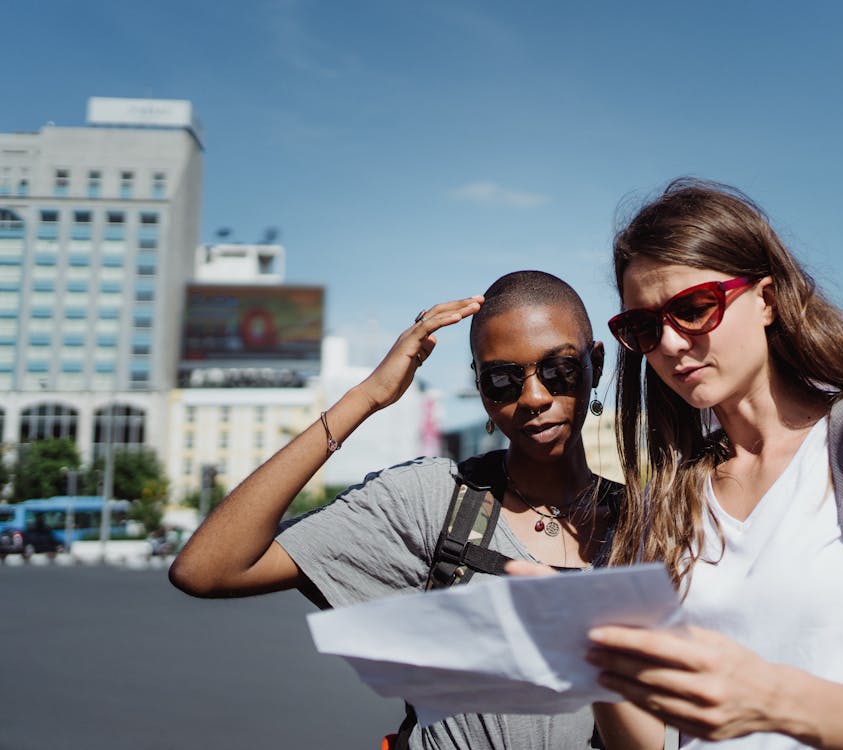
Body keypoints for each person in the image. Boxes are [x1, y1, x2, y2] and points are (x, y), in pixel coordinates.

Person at [585, 179, 843, 749]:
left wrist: (771, 702)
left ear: (767, 299)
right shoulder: (669, 492)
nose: (672, 344)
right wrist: (589, 654)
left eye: (695, 309)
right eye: (644, 327)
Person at [170, 270, 620, 750]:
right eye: (503, 380)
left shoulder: (654, 523)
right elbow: (206, 569)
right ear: (481, 389)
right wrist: (366, 397)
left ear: (595, 362)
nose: (534, 397)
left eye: (559, 370)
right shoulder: (434, 499)